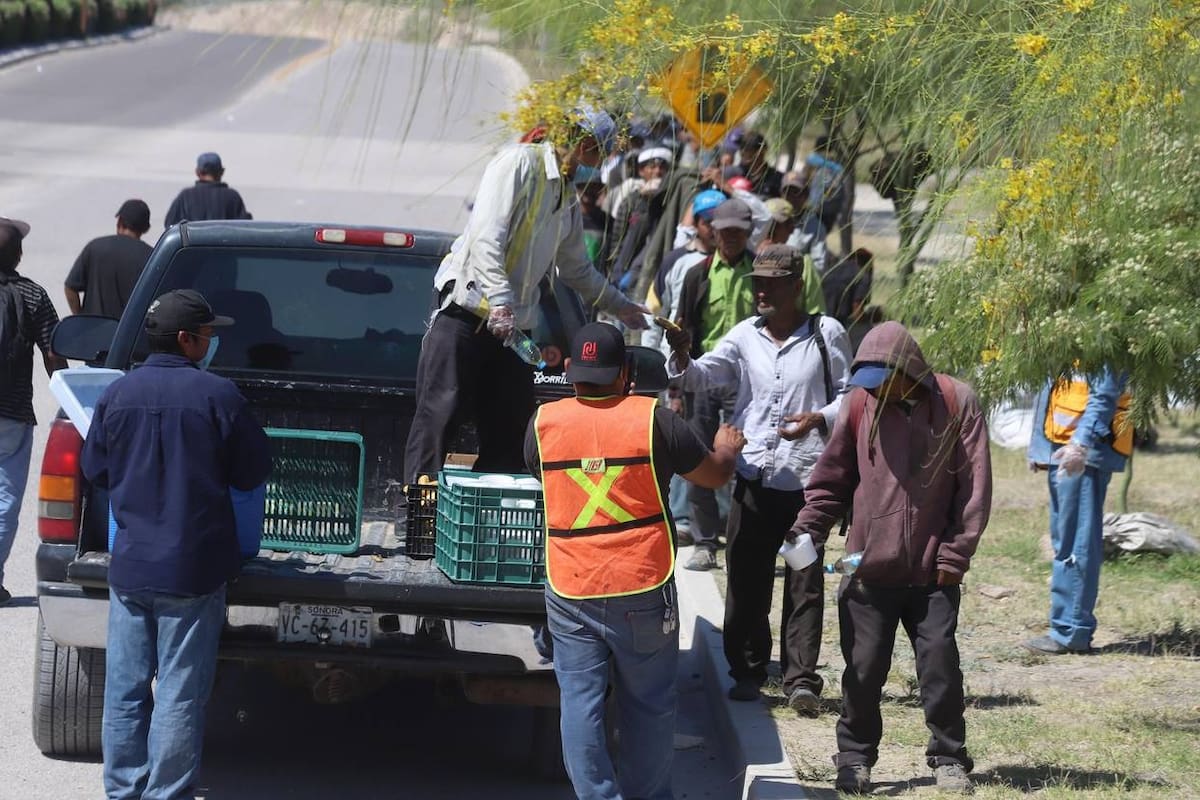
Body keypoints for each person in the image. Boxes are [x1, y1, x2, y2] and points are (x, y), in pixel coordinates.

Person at [525, 321, 746, 800]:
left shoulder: (543, 424)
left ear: (569, 370)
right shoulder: (654, 420)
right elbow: (711, 476)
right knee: (647, 705)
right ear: (625, 372)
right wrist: (727, 449)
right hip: (642, 584)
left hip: (572, 585)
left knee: (580, 705)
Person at [81, 288, 272, 799]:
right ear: (187, 340)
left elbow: (95, 470)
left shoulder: (116, 394)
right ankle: (167, 795)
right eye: (208, 334)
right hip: (193, 572)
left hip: (131, 570)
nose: (212, 343)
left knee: (124, 692)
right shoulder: (219, 396)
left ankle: (123, 791)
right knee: (180, 696)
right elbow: (253, 471)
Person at [789, 321, 992, 795]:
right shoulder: (861, 404)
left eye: (883, 382)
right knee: (862, 670)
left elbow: (974, 489)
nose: (874, 392)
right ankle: (855, 758)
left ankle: (949, 757)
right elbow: (833, 477)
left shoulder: (957, 402)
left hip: (932, 569)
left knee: (940, 666)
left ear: (908, 372)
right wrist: (808, 529)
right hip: (866, 567)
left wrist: (954, 554)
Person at [403, 108, 648, 484]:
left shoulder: (565, 195)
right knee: (440, 413)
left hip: (515, 329)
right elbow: (488, 237)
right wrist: (500, 301)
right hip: (469, 313)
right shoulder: (518, 164)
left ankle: (485, 521)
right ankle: (419, 517)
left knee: (510, 425)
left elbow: (576, 268)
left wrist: (621, 306)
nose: (599, 166)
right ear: (584, 144)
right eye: (600, 154)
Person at [665, 245, 851, 709]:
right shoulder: (744, 335)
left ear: (797, 284)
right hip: (754, 474)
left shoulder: (826, 334)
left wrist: (819, 418)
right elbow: (704, 377)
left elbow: (851, 396)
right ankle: (747, 670)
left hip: (808, 478)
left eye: (772, 282)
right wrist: (684, 357)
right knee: (747, 579)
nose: (762, 290)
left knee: (803, 578)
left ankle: (800, 678)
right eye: (757, 282)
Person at [675, 197, 758, 571]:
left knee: (749, 458)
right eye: (726, 232)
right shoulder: (698, 274)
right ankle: (705, 541)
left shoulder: (760, 271)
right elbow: (684, 327)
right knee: (699, 456)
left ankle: (745, 537)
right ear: (714, 233)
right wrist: (678, 386)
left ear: (749, 233)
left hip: (749, 381)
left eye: (739, 232)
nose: (732, 238)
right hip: (705, 379)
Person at [1024, 368, 1130, 655]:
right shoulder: (1071, 336)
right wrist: (1040, 449)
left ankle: (1071, 631)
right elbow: (1052, 392)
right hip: (1064, 449)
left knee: (1077, 543)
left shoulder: (1103, 337)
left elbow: (1104, 395)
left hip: (1083, 453)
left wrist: (1080, 445)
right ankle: (1067, 625)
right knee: (1064, 539)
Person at [0, 218, 66, 606]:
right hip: (11, 413)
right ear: (19, 255)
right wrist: (71, 400)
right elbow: (54, 353)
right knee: (5, 499)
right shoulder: (32, 295)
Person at [64, 199, 154, 318]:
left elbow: (70, 288)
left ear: (119, 222)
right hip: (128, 335)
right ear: (146, 228)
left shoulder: (95, 247)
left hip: (93, 331)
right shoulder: (151, 257)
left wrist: (80, 318)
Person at [164, 152, 252, 227]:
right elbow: (245, 227)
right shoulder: (233, 197)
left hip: (194, 246)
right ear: (221, 172)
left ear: (197, 172)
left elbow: (170, 225)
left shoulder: (185, 196)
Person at [737, 131, 784, 199]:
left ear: (762, 150)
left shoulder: (777, 179)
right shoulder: (733, 173)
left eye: (748, 148)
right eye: (741, 147)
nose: (743, 151)